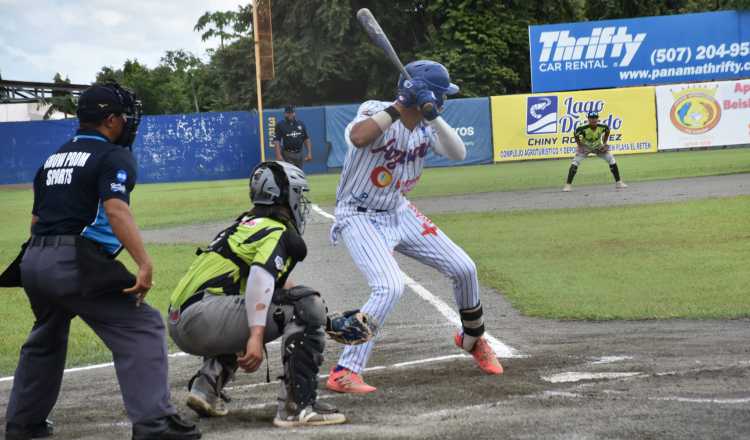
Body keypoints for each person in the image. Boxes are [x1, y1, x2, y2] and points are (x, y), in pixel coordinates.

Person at [4, 83, 200, 440]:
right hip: (71, 261)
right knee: (143, 326)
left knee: (46, 338)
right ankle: (154, 424)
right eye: (124, 117)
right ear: (110, 120)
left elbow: (36, 222)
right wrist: (144, 262)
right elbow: (115, 209)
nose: (128, 123)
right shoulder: (112, 156)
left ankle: (22, 425)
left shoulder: (53, 159)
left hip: (33, 260)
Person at [325, 60, 504, 395]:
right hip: (359, 214)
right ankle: (345, 371)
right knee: (390, 286)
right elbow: (358, 136)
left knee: (464, 268)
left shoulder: (427, 124)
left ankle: (472, 340)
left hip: (399, 210)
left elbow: (458, 151)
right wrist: (399, 105)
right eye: (443, 95)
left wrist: (432, 113)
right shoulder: (374, 109)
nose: (445, 100)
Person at [167, 161, 373, 427]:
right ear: (286, 196)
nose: (302, 202)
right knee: (301, 304)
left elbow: (275, 287)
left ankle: (206, 389)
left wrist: (327, 320)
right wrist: (255, 336)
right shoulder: (277, 231)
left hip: (184, 318)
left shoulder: (248, 223)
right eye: (299, 195)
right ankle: (297, 406)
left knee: (273, 305)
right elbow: (260, 282)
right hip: (203, 317)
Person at [563, 111, 627, 192]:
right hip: (586, 147)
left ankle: (619, 183)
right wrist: (579, 145)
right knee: (575, 162)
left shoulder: (603, 126)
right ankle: (568, 185)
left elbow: (607, 131)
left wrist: (604, 143)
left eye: (595, 118)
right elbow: (576, 134)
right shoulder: (582, 128)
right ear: (588, 119)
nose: (593, 120)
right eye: (591, 118)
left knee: (611, 159)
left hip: (598, 146)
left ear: (597, 119)